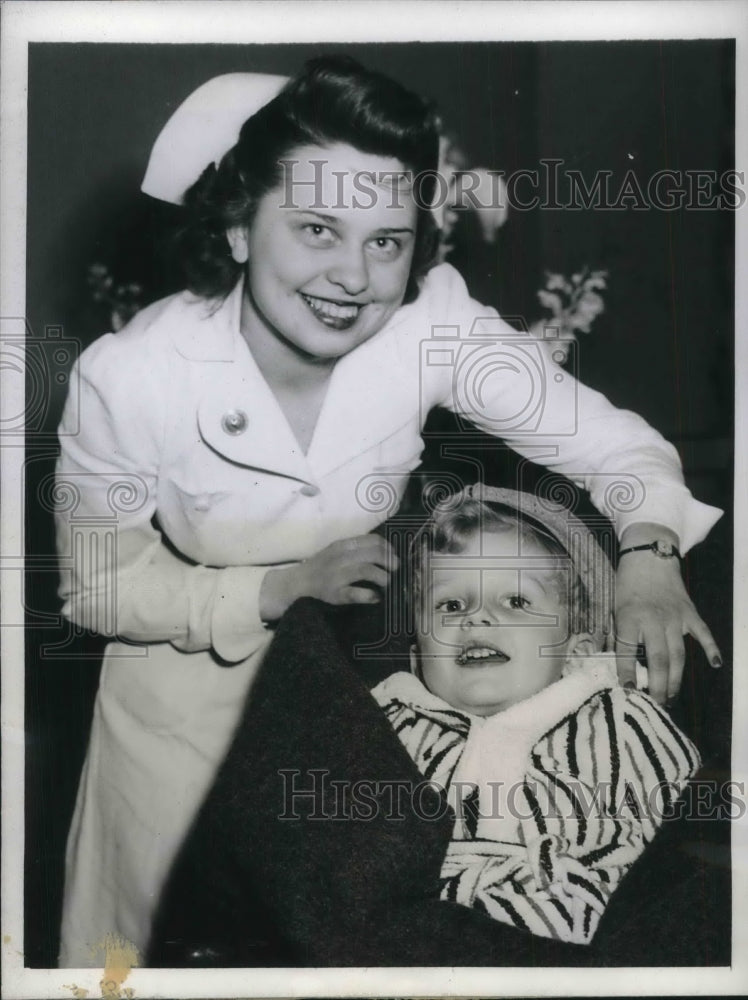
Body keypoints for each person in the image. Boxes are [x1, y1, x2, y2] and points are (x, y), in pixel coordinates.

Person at [55, 55, 721, 967]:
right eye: (318, 229)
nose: (355, 277)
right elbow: (97, 587)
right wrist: (274, 588)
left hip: (366, 734)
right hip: (181, 743)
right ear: (243, 228)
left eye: (386, 240)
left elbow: (618, 447)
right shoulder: (129, 376)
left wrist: (648, 555)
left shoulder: (429, 324)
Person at [372, 484, 701, 944]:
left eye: (516, 601)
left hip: (567, 932)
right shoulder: (393, 721)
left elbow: (659, 833)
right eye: (451, 605)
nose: (478, 618)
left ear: (576, 652)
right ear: (416, 658)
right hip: (409, 933)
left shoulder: (616, 718)